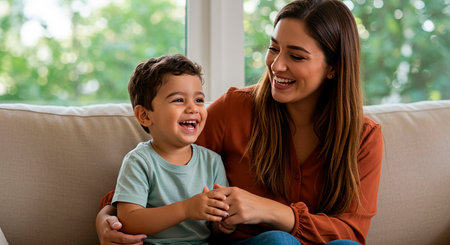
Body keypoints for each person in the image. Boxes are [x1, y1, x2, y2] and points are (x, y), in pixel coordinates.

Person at [95, 0, 383, 244]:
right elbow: (164, 162)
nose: (276, 65)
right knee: (277, 241)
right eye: (274, 48)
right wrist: (106, 216)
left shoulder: (364, 137)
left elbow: (352, 233)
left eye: (295, 55)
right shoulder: (236, 108)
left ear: (333, 67)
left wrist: (272, 211)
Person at [109, 54, 230, 244]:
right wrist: (185, 209)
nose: (193, 108)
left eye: (199, 100)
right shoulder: (139, 161)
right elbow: (129, 220)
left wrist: (225, 224)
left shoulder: (212, 161)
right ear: (144, 116)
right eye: (178, 100)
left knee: (277, 239)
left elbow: (217, 228)